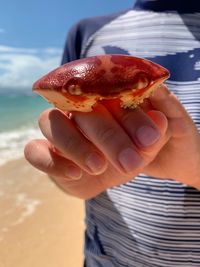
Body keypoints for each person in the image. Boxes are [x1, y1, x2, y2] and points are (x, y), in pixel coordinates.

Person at [25, 0, 200, 266]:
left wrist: (194, 169)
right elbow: (67, 136)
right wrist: (73, 173)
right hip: (105, 256)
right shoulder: (86, 32)